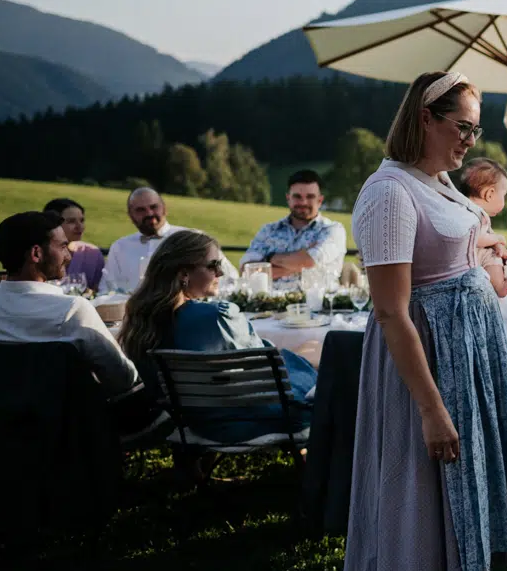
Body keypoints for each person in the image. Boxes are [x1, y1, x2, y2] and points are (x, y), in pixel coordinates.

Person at [343, 71, 507, 571]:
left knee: (455, 504)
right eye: (463, 127)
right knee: (433, 507)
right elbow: (392, 311)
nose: (471, 141)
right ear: (426, 118)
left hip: (462, 361)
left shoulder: (436, 182)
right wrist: (431, 408)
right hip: (426, 370)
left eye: (477, 129)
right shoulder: (389, 193)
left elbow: (457, 247)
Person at [118, 229, 317, 445]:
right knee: (323, 363)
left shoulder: (142, 320)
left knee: (306, 356)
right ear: (184, 274)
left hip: (196, 424)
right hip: (257, 420)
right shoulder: (217, 316)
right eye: (213, 266)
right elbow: (263, 363)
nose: (220, 273)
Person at [0, 211, 143, 403]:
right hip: (66, 420)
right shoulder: (72, 311)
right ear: (36, 253)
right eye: (63, 247)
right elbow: (123, 378)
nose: (68, 255)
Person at [101, 188, 235, 294]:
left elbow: (231, 279)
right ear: (130, 215)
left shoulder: (193, 239)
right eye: (141, 210)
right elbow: (107, 289)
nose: (149, 213)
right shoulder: (120, 247)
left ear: (164, 208)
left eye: (154, 207)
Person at [240, 170, 348, 289]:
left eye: (310, 197)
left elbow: (309, 261)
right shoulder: (268, 231)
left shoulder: (333, 230)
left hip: (317, 300)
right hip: (269, 300)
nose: (303, 202)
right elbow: (246, 272)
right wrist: (301, 263)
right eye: (297, 196)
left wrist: (269, 258)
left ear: (320, 200)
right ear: (288, 198)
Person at [455, 158, 507, 298]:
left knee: (495, 253)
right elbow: (476, 237)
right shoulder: (474, 214)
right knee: (493, 256)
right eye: (503, 195)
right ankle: (502, 287)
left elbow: (485, 235)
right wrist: (497, 239)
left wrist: (497, 244)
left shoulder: (463, 209)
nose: (504, 200)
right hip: (476, 258)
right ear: (489, 194)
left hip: (466, 262)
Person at [44, 197, 106, 291]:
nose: (80, 226)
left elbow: (99, 291)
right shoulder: (38, 255)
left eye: (82, 220)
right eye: (71, 221)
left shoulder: (92, 254)